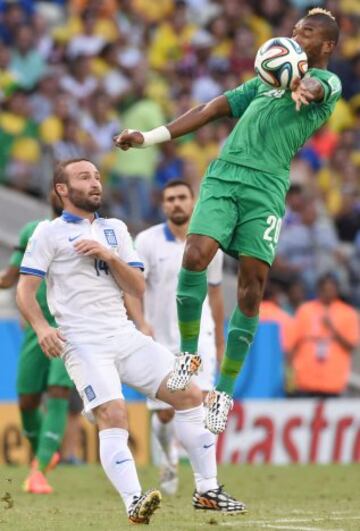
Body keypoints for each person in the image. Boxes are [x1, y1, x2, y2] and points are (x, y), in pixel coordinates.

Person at [114, 8, 342, 434]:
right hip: (224, 176)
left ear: (326, 45)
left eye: (307, 32)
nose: (296, 36)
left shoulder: (328, 82)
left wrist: (302, 85)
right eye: (295, 30)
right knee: (196, 254)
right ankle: (186, 355)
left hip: (268, 188)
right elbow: (210, 108)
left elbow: (315, 86)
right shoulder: (262, 83)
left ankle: (223, 391)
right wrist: (149, 137)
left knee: (251, 289)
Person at [16, 158, 245, 525]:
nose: (94, 183)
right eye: (83, 177)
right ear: (62, 190)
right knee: (113, 414)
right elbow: (25, 292)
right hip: (83, 341)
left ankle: (207, 489)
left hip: (124, 334)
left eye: (96, 176)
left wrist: (108, 255)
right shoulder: (48, 233)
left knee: (187, 394)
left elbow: (138, 286)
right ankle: (134, 501)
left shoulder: (116, 230)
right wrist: (43, 328)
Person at [125, 179, 224, 495]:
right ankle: (168, 458)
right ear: (163, 204)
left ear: (193, 201)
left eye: (182, 197)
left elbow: (216, 294)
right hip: (162, 338)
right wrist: (140, 323)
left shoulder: (211, 240)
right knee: (166, 412)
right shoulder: (147, 241)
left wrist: (219, 338)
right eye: (170, 199)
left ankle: (205, 481)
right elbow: (132, 288)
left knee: (204, 404)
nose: (176, 203)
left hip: (201, 338)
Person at [0, 192, 74, 494]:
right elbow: (11, 277)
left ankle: (39, 469)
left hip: (68, 325)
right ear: (54, 193)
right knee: (28, 400)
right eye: (60, 189)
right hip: (35, 325)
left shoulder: (92, 232)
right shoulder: (34, 230)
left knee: (58, 390)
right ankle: (45, 453)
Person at [289, 273, 360, 398]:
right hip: (305, 380)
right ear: (318, 290)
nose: (327, 293)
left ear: (337, 290)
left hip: (334, 382)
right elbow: (293, 344)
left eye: (331, 290)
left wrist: (333, 329)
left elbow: (351, 345)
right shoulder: (305, 310)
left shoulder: (348, 313)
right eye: (324, 290)